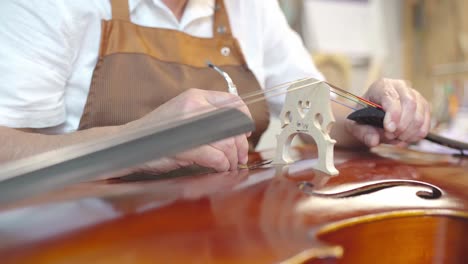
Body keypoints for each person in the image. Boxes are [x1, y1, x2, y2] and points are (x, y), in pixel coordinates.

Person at [0, 0, 430, 174]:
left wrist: (363, 119)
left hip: (230, 232)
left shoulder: (250, 6)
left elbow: (309, 104)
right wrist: (140, 142)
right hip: (87, 239)